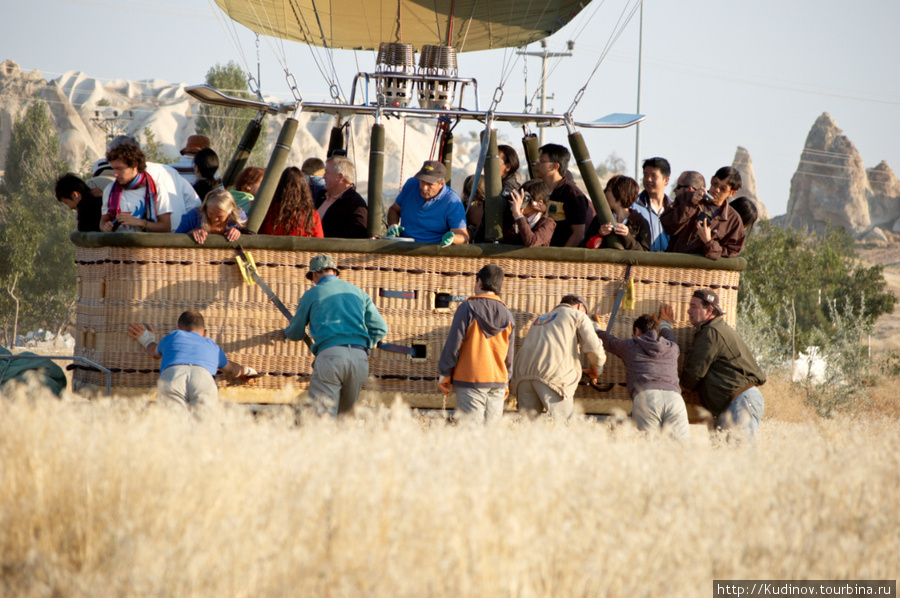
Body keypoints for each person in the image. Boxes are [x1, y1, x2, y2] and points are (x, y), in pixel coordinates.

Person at [283, 254, 388, 417]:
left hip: (331, 356)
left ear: (315, 274)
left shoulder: (313, 293)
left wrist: (286, 333)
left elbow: (296, 332)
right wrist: (364, 348)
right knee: (346, 420)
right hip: (360, 359)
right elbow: (380, 328)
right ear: (335, 272)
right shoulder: (359, 293)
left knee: (323, 420)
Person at [677, 289, 766, 437]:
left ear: (709, 310)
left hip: (740, 402)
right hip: (735, 404)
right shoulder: (714, 329)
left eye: (693, 306)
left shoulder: (711, 332)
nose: (688, 311)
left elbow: (694, 373)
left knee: (741, 456)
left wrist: (677, 389)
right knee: (728, 459)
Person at [127, 310, 256, 410]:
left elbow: (154, 352)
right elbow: (233, 370)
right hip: (203, 378)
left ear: (179, 329)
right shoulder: (212, 346)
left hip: (173, 376)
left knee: (171, 429)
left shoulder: (174, 336)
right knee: (202, 431)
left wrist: (146, 338)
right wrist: (249, 372)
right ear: (204, 332)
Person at [593, 308, 689, 439]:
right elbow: (670, 336)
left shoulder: (630, 345)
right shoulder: (672, 347)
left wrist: (595, 328)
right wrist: (665, 324)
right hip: (675, 399)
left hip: (647, 398)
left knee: (648, 448)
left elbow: (609, 342)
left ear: (636, 331)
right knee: (681, 449)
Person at [437, 264, 515, 424]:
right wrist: (506, 381)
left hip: (471, 380)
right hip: (498, 383)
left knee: (471, 435)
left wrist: (445, 372)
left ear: (479, 282)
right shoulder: (508, 315)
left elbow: (454, 344)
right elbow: (510, 355)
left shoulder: (467, 308)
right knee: (491, 436)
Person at [512, 295, 606, 420]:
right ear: (580, 306)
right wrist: (598, 370)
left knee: (526, 430)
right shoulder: (578, 315)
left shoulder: (540, 318)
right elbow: (594, 349)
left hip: (522, 376)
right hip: (553, 378)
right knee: (564, 427)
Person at [99, 136, 201, 233]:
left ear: (135, 165)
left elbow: (166, 227)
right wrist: (105, 227)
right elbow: (104, 220)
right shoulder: (110, 190)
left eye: (119, 169)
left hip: (146, 250)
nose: (115, 174)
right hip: (118, 249)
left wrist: (139, 223)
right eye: (113, 168)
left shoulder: (157, 189)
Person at [661, 166, 746, 259]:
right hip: (674, 264)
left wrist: (708, 242)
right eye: (715, 183)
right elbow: (666, 224)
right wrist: (690, 205)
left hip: (702, 271)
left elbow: (731, 253)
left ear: (732, 193)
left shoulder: (733, 221)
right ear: (712, 179)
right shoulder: (687, 198)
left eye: (723, 189)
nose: (716, 189)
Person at [386, 160, 468, 246]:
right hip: (404, 247)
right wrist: (393, 225)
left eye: (429, 184)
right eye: (422, 181)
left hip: (433, 251)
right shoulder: (411, 184)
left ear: (442, 184)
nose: (424, 188)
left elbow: (464, 236)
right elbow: (394, 209)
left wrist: (452, 238)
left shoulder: (452, 201)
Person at [533, 144, 595, 247]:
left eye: (542, 161)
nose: (537, 164)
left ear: (555, 166)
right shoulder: (539, 189)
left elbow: (578, 234)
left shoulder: (572, 194)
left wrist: (560, 258)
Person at [585, 175, 650, 251]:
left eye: (608, 190)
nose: (605, 194)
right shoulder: (600, 219)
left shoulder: (640, 222)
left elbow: (644, 254)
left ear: (619, 193)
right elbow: (586, 248)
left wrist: (627, 236)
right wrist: (599, 235)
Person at [259, 166, 324, 237]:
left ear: (280, 185)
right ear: (304, 189)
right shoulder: (311, 215)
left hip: (269, 247)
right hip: (300, 247)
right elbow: (319, 241)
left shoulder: (268, 211)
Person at [315, 156, 368, 238]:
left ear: (340, 177)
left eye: (327, 173)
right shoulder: (321, 196)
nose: (323, 176)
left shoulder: (355, 204)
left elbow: (358, 236)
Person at [175, 188, 246, 244]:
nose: (215, 219)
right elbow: (175, 239)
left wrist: (239, 233)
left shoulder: (239, 217)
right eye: (211, 213)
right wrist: (190, 234)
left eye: (220, 216)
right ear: (205, 208)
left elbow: (250, 237)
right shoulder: (193, 217)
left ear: (230, 212)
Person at [502, 179, 556, 247]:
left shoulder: (548, 223)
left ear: (537, 203)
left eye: (524, 199)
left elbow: (531, 242)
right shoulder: (516, 219)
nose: (521, 202)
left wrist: (519, 217)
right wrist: (516, 221)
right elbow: (508, 242)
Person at [633, 157, 671, 251]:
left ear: (666, 180)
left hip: (668, 264)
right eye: (645, 175)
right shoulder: (634, 206)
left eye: (653, 176)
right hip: (642, 263)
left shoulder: (673, 209)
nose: (648, 179)